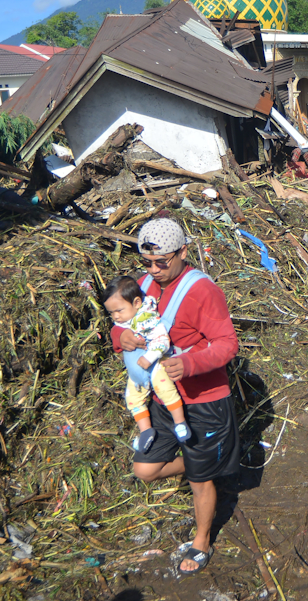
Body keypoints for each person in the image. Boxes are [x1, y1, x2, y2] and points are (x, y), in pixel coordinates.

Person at [112, 218, 240, 576]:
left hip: (203, 399)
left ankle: (202, 540)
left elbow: (228, 344)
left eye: (161, 262)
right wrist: (117, 337)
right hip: (163, 399)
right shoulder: (142, 287)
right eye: (147, 263)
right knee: (145, 468)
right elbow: (121, 322)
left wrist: (190, 363)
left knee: (201, 480)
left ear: (183, 252)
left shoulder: (203, 291)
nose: (154, 271)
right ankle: (206, 459)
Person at [103, 276, 189, 453]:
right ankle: (145, 430)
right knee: (132, 399)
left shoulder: (147, 319)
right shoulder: (124, 322)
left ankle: (180, 422)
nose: (115, 316)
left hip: (156, 364)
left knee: (165, 390)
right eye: (111, 313)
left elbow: (162, 341)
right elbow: (117, 334)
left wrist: (149, 357)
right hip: (137, 371)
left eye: (118, 310)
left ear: (136, 303)